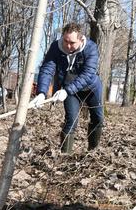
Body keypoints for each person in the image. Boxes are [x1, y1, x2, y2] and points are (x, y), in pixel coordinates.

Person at [28, 22, 104, 153]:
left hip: (91, 88)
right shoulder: (55, 48)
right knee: (71, 120)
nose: (68, 46)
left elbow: (88, 74)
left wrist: (66, 90)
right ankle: (65, 155)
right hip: (69, 90)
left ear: (81, 39)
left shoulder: (91, 48)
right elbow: (47, 69)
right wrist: (41, 93)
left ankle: (92, 152)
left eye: (72, 42)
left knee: (98, 118)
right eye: (65, 41)